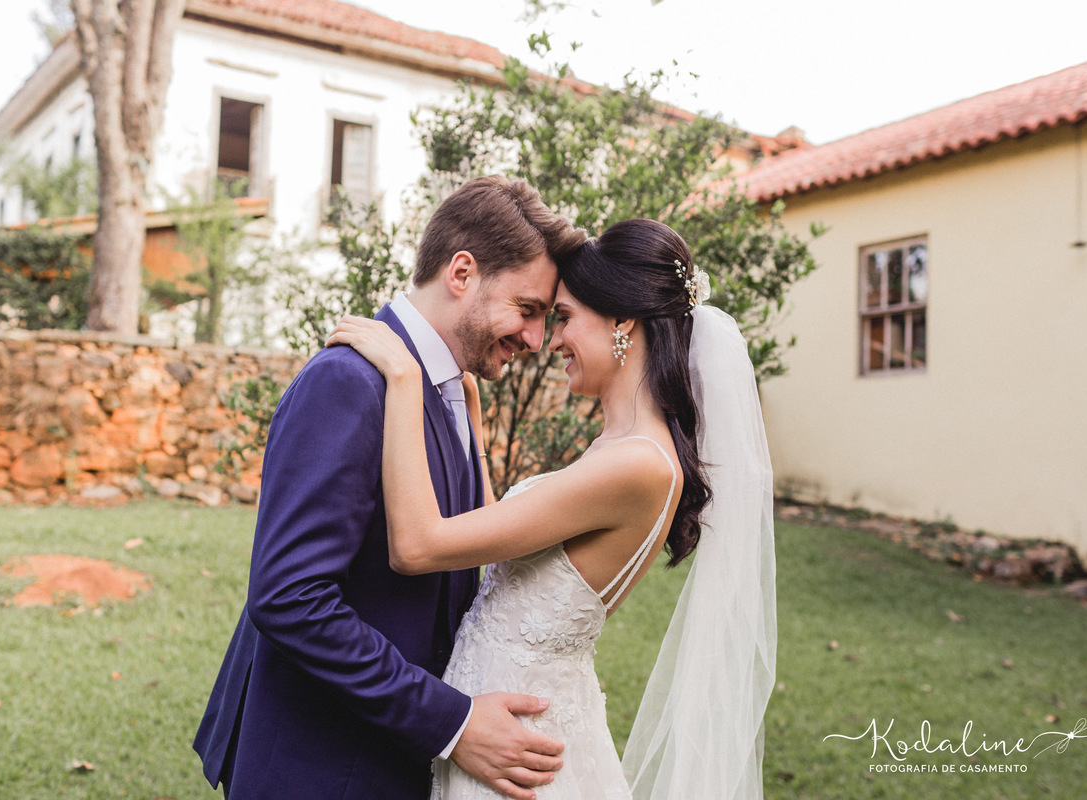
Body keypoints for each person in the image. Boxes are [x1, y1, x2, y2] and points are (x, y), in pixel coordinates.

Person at [327, 218, 777, 799]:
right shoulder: (619, 450)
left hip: (516, 747)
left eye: (564, 317)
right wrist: (476, 437)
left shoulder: (635, 465)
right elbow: (504, 558)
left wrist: (402, 377)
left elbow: (418, 547)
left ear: (622, 321)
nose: (550, 339)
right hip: (510, 726)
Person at [193, 176, 588, 800]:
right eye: (528, 309)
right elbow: (290, 598)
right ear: (462, 273)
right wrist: (452, 723)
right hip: (324, 768)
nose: (536, 340)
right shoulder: (349, 382)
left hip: (388, 764)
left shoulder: (452, 390)